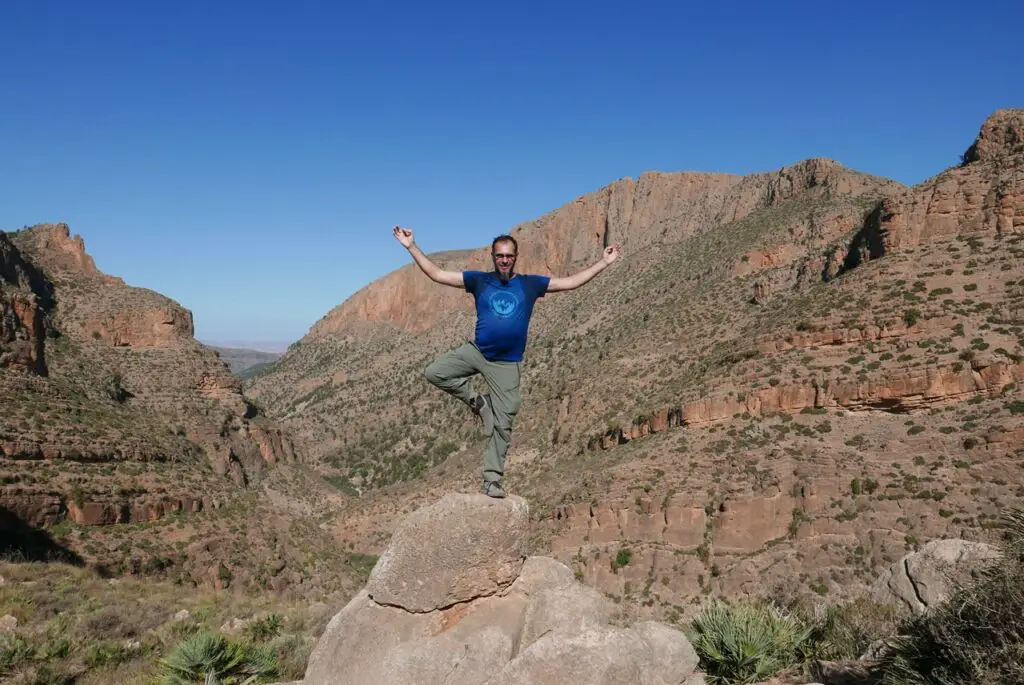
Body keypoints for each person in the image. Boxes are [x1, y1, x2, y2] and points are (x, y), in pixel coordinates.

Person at [392, 225, 620, 498]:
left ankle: (492, 480)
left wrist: (603, 263)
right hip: (477, 351)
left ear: (515, 257)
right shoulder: (479, 281)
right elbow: (437, 274)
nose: (504, 260)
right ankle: (478, 401)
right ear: (492, 256)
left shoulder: (529, 284)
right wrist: (411, 246)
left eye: (509, 256)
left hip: (506, 363)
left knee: (505, 419)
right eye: (499, 255)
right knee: (435, 372)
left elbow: (569, 282)